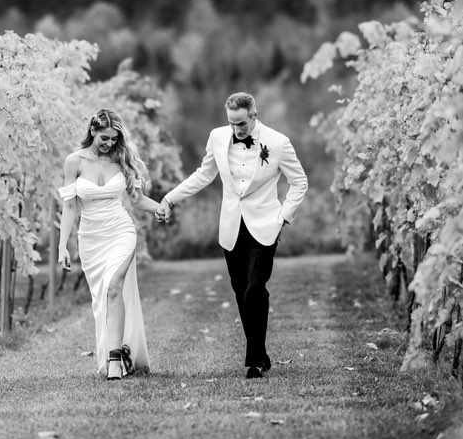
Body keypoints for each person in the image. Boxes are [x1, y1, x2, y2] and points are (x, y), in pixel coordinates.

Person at [156, 92, 308, 379]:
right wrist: (170, 198)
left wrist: (284, 215)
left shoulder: (278, 142)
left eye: (241, 123)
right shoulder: (217, 137)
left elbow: (299, 182)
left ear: (254, 114)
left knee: (255, 288)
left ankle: (252, 361)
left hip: (265, 224)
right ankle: (261, 352)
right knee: (240, 289)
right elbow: (203, 175)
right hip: (231, 225)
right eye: (232, 123)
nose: (236, 129)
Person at [58, 109, 160, 380]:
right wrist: (62, 246)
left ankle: (114, 360)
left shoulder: (121, 160)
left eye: (115, 139)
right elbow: (69, 207)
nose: (109, 144)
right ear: (93, 130)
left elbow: (137, 199)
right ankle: (118, 353)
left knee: (114, 287)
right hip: (90, 238)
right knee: (102, 296)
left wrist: (160, 207)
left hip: (120, 230)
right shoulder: (74, 162)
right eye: (105, 138)